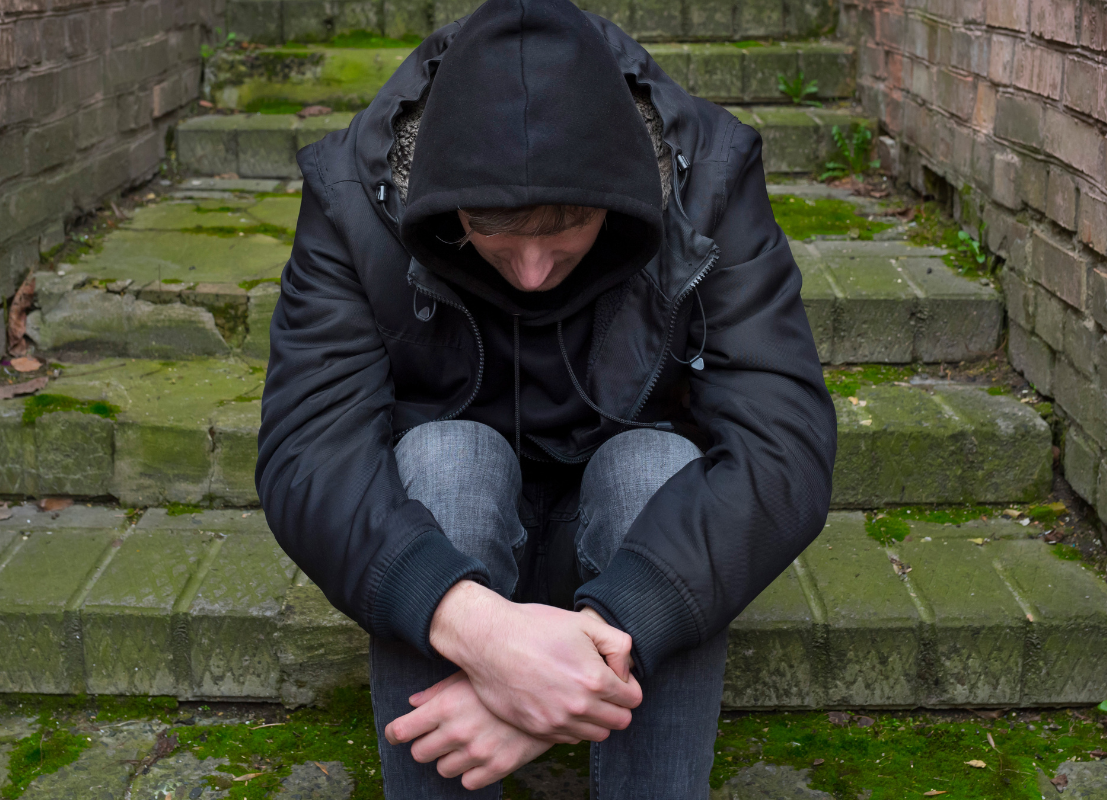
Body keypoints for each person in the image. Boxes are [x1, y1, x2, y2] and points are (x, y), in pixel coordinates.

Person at [256, 0, 838, 795]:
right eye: (493, 231)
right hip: (451, 547)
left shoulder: (709, 174)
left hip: (633, 553)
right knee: (446, 455)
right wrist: (481, 631)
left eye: (568, 227)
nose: (532, 269)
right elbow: (308, 455)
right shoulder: (353, 194)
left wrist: (599, 644)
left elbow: (786, 451)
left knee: (655, 465)